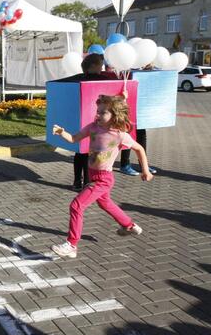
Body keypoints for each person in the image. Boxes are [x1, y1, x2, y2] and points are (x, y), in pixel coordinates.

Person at [50, 94, 152, 259]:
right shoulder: (92, 127)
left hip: (103, 178)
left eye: (103, 112)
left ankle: (71, 244)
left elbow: (139, 149)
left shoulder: (120, 135)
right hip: (93, 175)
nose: (97, 115)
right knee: (105, 203)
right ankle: (129, 225)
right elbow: (74, 139)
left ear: (115, 116)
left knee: (76, 205)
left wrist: (145, 170)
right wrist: (62, 132)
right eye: (97, 111)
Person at [57, 53, 109, 190]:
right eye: (100, 65)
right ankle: (87, 181)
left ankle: (77, 182)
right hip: (93, 122)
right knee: (87, 152)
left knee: (80, 152)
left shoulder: (76, 80)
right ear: (94, 65)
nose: (101, 68)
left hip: (79, 120)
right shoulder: (103, 80)